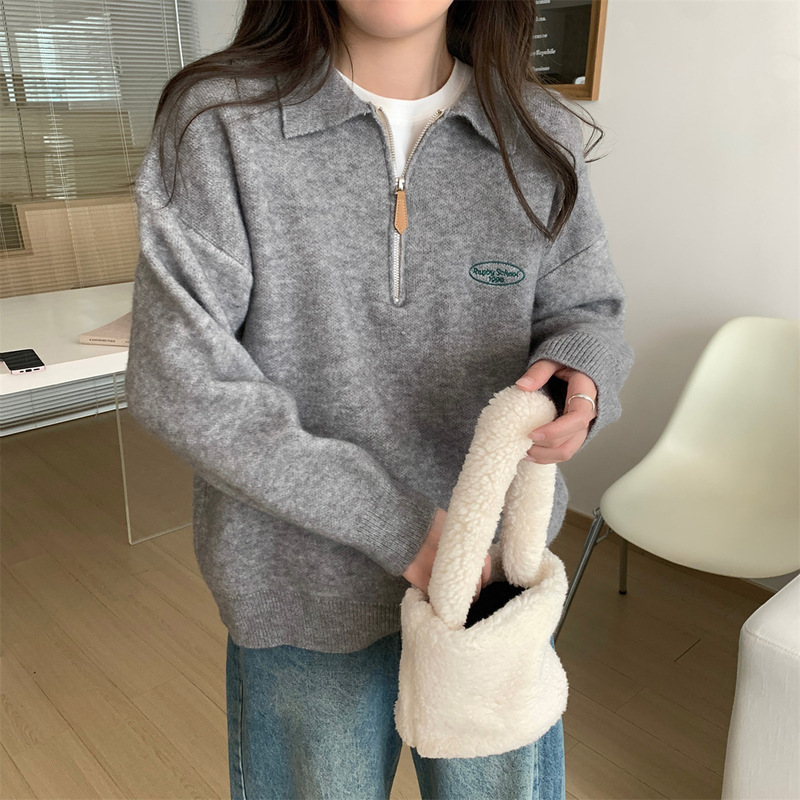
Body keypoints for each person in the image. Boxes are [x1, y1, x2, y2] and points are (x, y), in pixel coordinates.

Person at [126, 0, 634, 797]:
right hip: (299, 589)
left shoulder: (540, 132)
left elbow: (586, 310)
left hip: (491, 584)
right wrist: (407, 530)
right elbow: (180, 382)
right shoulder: (221, 122)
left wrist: (582, 374)